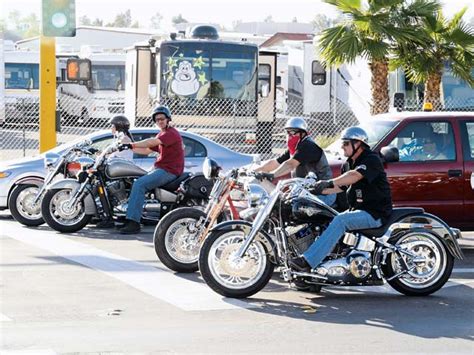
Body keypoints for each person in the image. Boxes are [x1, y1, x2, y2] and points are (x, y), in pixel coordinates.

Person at [289, 126, 393, 272]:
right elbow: (340, 188)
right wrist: (315, 190)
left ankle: (308, 261)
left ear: (357, 144)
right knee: (325, 217)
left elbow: (354, 176)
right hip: (358, 211)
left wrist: (329, 182)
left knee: (341, 220)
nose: (342, 147)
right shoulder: (348, 163)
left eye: (345, 143)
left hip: (375, 213)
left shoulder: (371, 159)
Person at [117, 105, 184, 234]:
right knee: (135, 180)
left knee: (139, 184)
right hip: (162, 168)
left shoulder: (171, 133)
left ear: (168, 119)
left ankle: (133, 222)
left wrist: (132, 144)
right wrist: (127, 147)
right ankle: (129, 215)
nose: (160, 121)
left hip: (169, 170)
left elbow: (150, 143)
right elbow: (147, 150)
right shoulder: (162, 133)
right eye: (157, 119)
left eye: (162, 118)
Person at [254, 117, 335, 207]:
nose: (289, 136)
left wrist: (272, 175)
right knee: (279, 205)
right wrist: (255, 171)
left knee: (293, 209)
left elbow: (290, 164)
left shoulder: (308, 146)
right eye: (288, 133)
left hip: (322, 194)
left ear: (303, 134)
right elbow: (275, 163)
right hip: (304, 192)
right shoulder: (294, 149)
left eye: (293, 133)